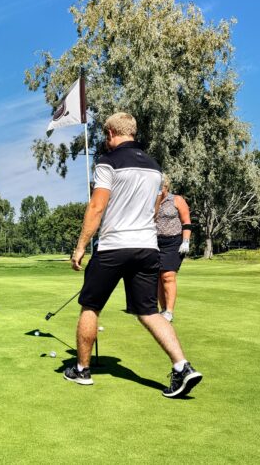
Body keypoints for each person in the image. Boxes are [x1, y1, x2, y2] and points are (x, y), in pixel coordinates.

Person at [64, 113, 202, 398]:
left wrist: (80, 247)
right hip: (147, 247)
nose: (105, 138)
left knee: (90, 306)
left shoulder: (107, 162)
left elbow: (96, 207)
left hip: (115, 246)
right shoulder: (154, 167)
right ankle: (182, 366)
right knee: (149, 311)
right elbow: (152, 210)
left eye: (106, 134)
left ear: (112, 132)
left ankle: (82, 370)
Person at [156, 175, 192, 322]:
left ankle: (169, 311)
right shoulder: (152, 201)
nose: (158, 190)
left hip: (173, 242)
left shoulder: (176, 200)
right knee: (158, 277)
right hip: (155, 242)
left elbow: (186, 222)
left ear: (166, 186)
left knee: (168, 275)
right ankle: (163, 310)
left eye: (160, 187)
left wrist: (186, 241)